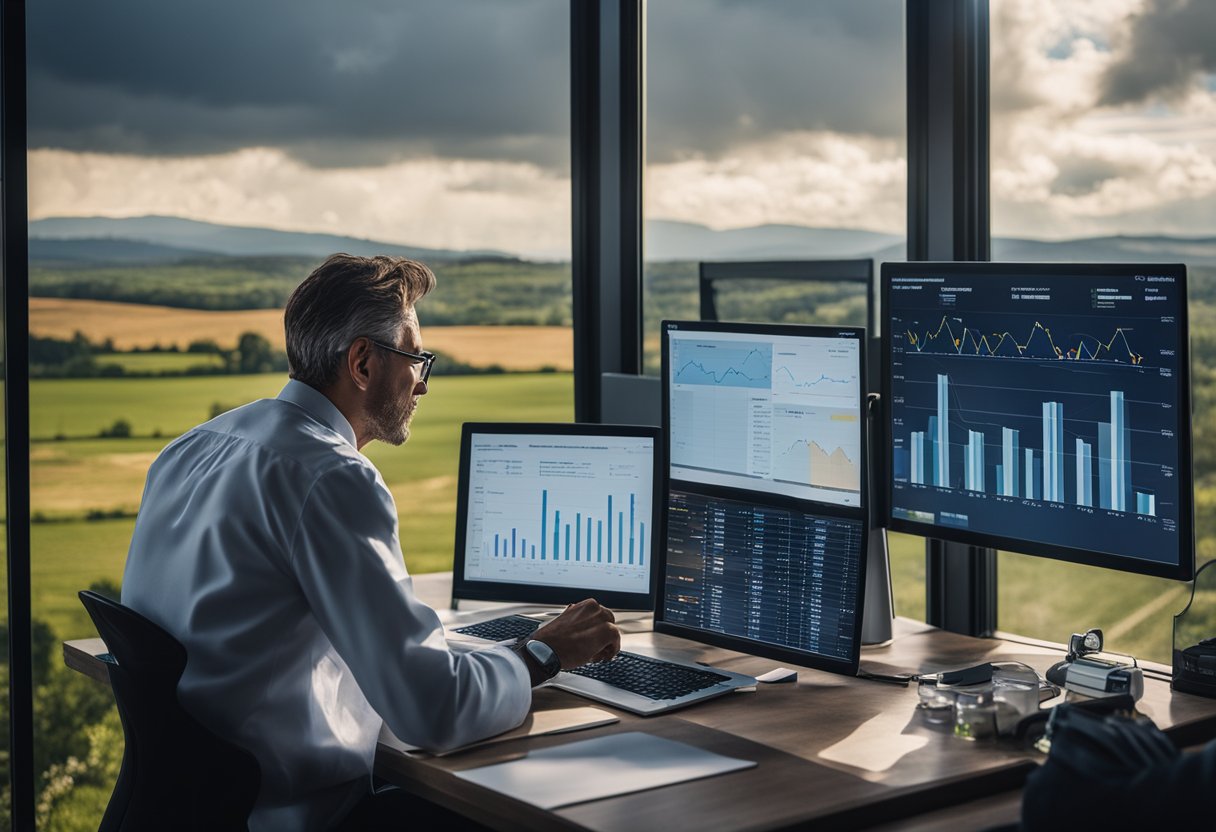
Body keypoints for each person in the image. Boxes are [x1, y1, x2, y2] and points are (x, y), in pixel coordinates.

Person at [121, 253, 621, 831]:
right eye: (416, 359)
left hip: (194, 806)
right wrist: (543, 653)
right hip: (295, 814)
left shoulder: (194, 446)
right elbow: (432, 713)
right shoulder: (330, 476)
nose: (422, 384)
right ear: (362, 362)